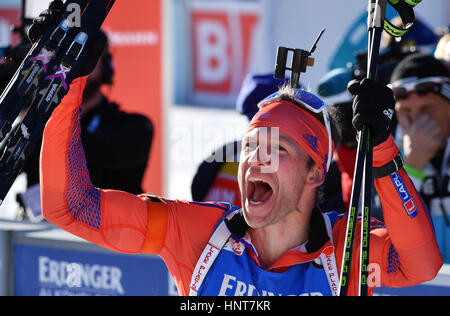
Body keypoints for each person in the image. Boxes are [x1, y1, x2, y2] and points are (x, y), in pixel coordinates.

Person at [36, 2, 442, 297]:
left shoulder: (347, 248)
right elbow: (72, 208)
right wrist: (68, 84)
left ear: (315, 171)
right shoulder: (196, 233)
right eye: (251, 145)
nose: (256, 159)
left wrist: (385, 150)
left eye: (278, 148)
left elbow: (420, 265)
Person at [390, 52, 450, 262]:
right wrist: (412, 167)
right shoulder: (384, 159)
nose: (415, 121)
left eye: (426, 109)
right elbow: (384, 235)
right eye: (405, 111)